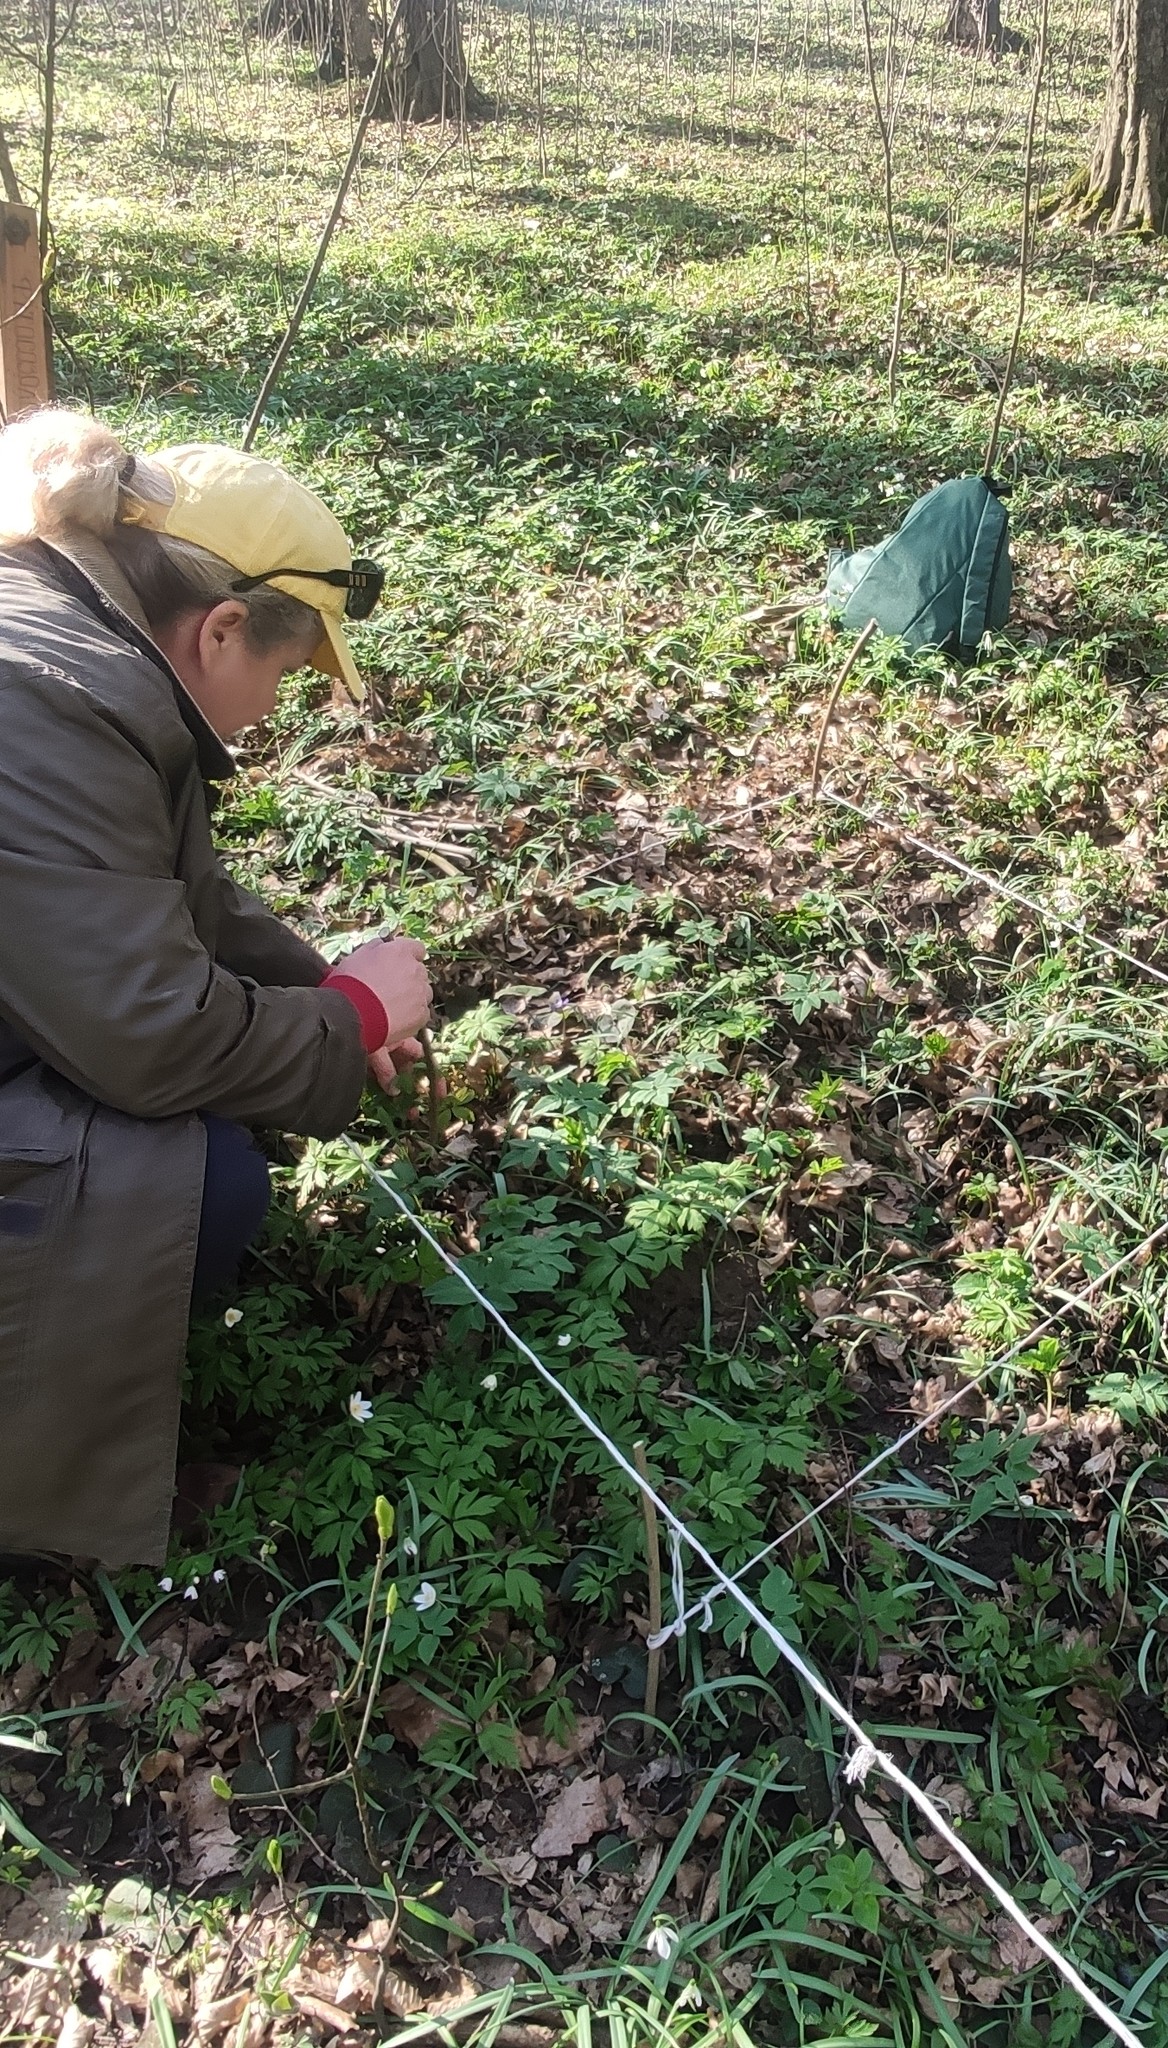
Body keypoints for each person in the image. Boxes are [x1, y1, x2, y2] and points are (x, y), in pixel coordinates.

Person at [0, 408, 433, 1570]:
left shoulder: (69, 640)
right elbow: (148, 1035)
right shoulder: (44, 699)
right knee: (208, 1178)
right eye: (286, 675)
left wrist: (320, 985)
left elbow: (161, 896)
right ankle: (35, 1493)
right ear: (223, 629)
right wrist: (351, 1017)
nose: (278, 709)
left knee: (214, 1139)